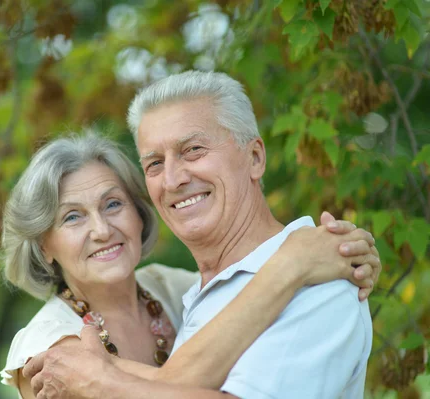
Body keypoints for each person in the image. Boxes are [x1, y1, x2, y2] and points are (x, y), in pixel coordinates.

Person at [23, 71, 378, 399]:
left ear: (255, 158)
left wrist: (100, 380)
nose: (174, 179)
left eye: (194, 149)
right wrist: (289, 264)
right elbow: (176, 379)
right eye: (155, 164)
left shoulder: (319, 288)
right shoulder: (190, 293)